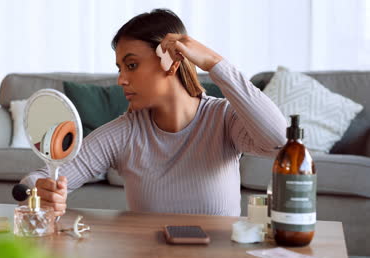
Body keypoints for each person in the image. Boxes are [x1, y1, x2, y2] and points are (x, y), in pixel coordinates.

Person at [20, 9, 287, 217]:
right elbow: (39, 177)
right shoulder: (125, 132)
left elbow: (278, 141)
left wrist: (215, 64)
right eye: (119, 68)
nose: (121, 79)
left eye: (132, 65)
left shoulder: (223, 119)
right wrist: (39, 190)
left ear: (171, 62)